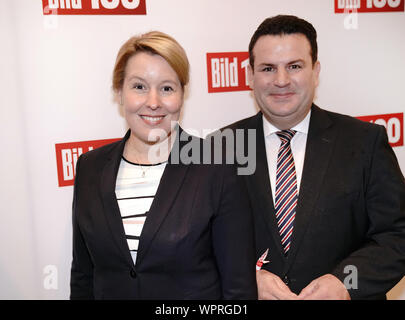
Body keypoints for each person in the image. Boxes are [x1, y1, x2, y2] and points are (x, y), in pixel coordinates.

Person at [222, 15, 405, 299]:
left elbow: (397, 235)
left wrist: (347, 282)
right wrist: (246, 277)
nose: (281, 80)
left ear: (316, 71)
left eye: (294, 66)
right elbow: (199, 243)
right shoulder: (220, 147)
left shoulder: (365, 142)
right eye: (268, 68)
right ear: (250, 75)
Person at [70, 31, 257, 299]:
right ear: (119, 92)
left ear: (182, 95)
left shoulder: (219, 168)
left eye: (167, 88)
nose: (154, 102)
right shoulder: (90, 168)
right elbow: (83, 277)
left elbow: (238, 289)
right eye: (139, 86)